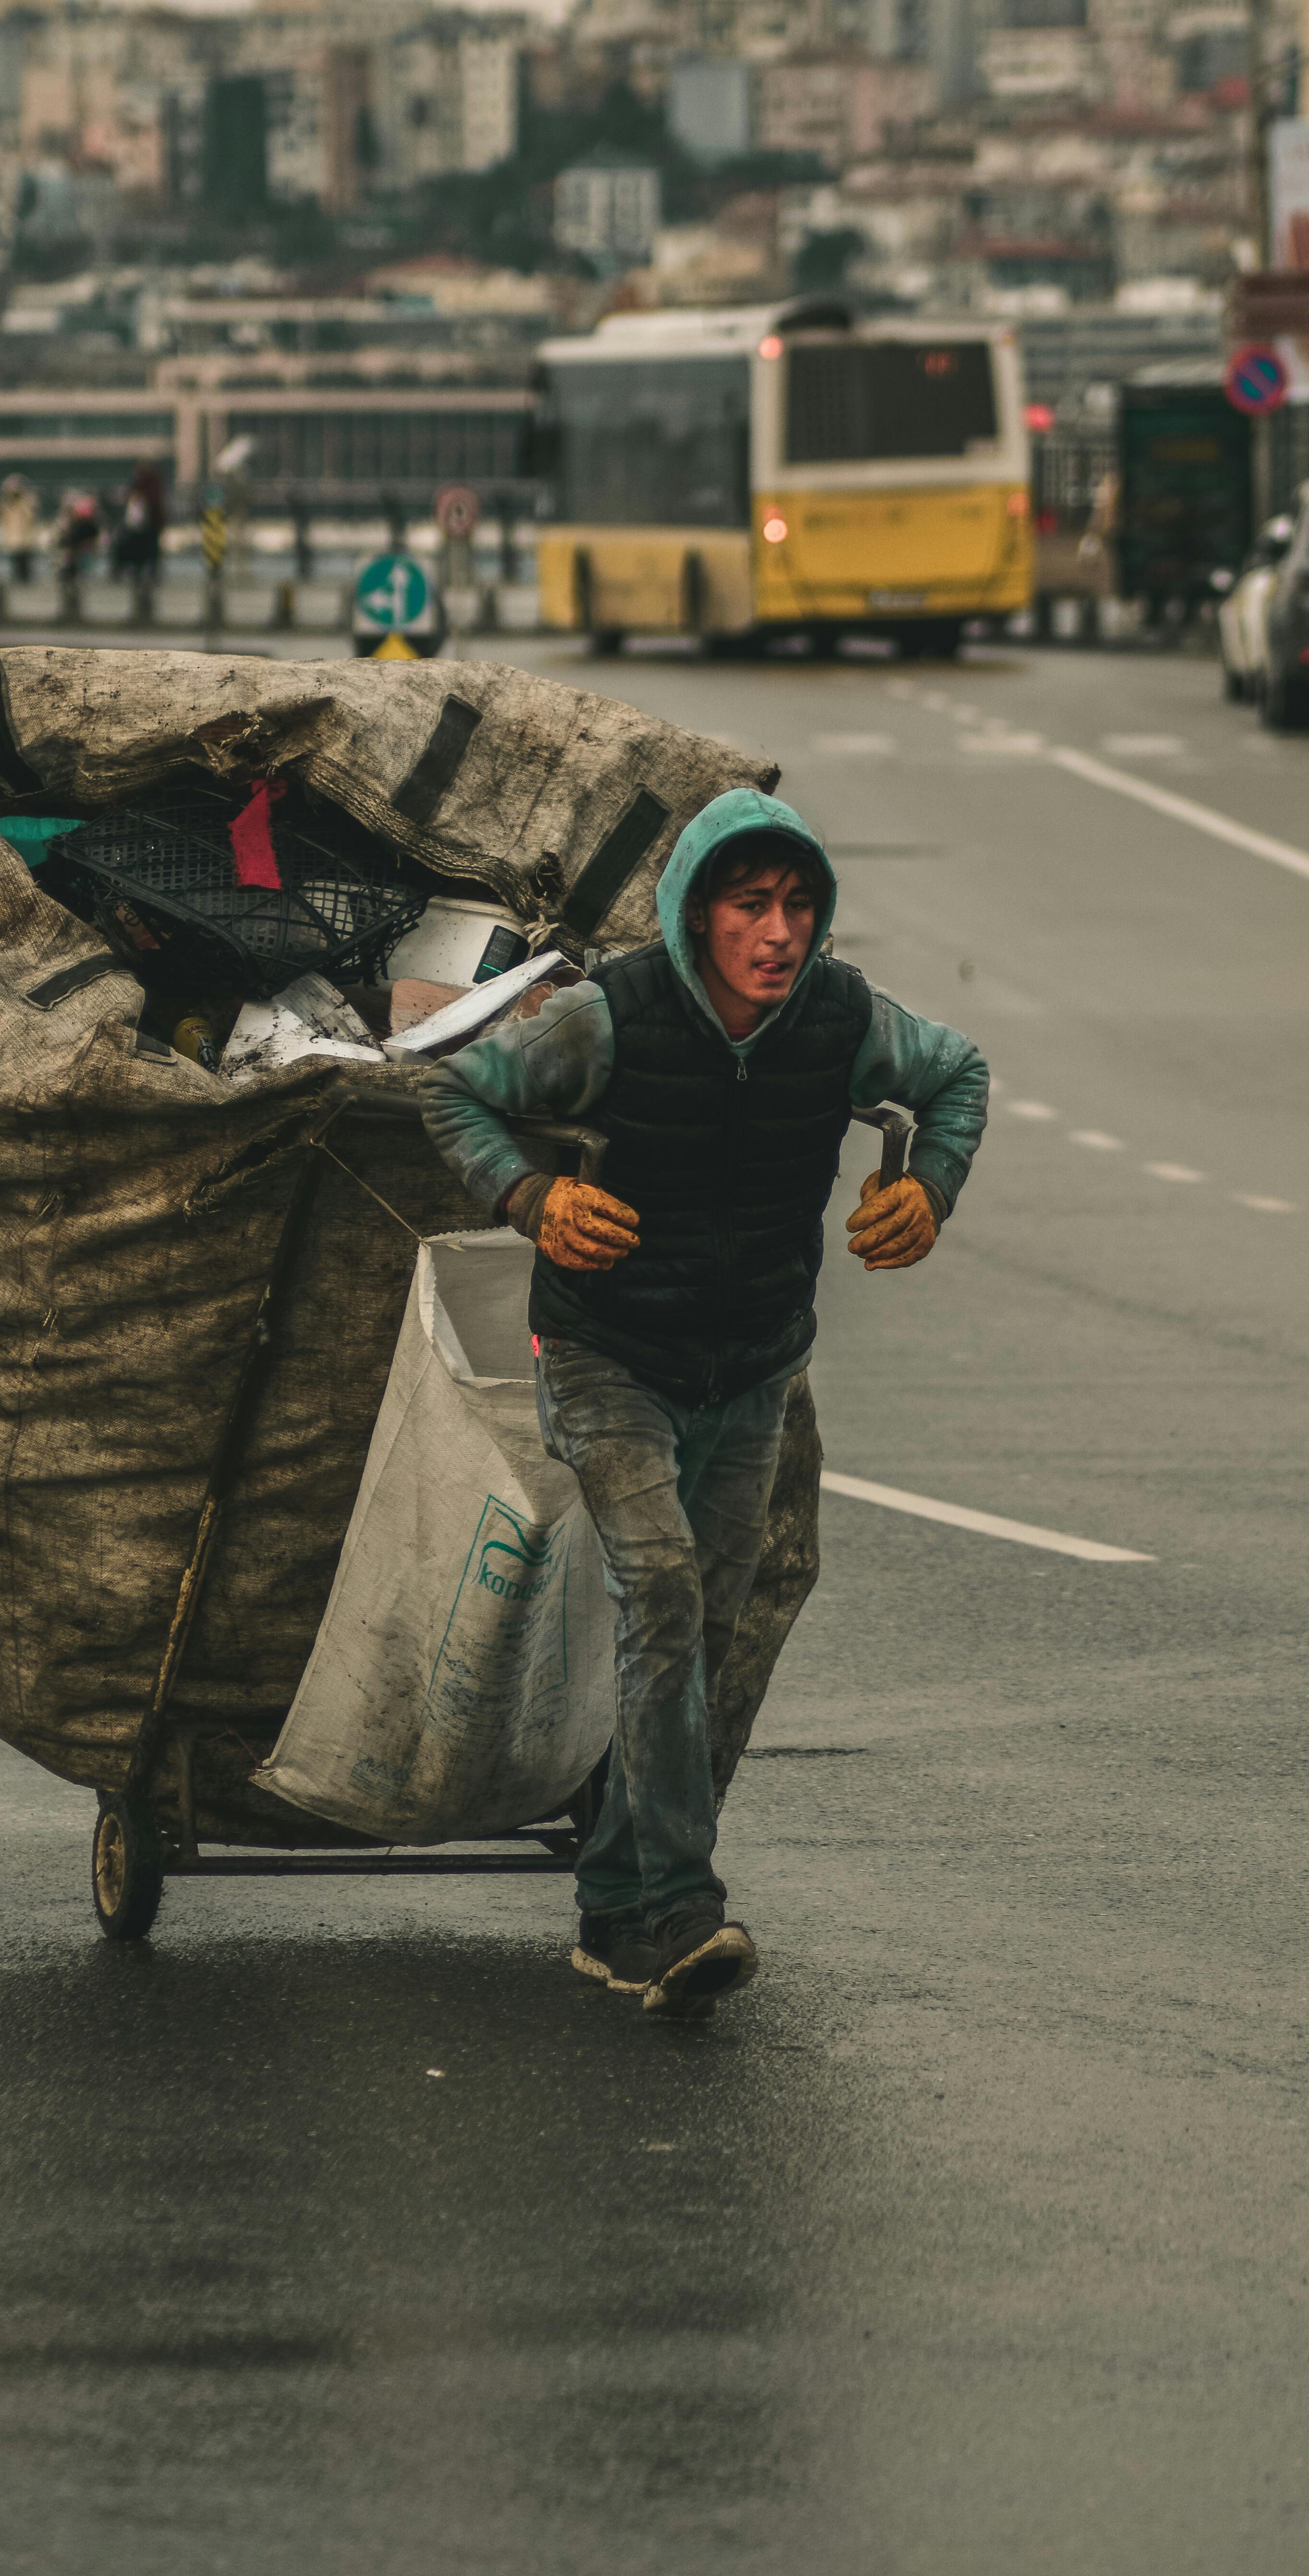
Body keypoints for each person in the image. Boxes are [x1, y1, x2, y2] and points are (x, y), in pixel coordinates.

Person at [420, 789, 989, 2018]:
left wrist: (930, 1185)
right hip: (606, 1357)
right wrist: (531, 1199)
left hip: (753, 1365)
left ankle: (616, 1906)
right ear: (694, 914)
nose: (778, 934)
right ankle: (679, 1903)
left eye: (798, 907)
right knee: (664, 1592)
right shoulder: (609, 1018)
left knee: (704, 1629)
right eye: (749, 906)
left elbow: (956, 1074)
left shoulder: (841, 1019)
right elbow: (453, 1090)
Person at [0, 476, 38, 585]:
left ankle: (25, 581)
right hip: (15, 540)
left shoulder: (25, 504)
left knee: (25, 566)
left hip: (25, 540)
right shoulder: (8, 506)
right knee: (17, 567)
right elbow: (2, 519)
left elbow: (31, 514)